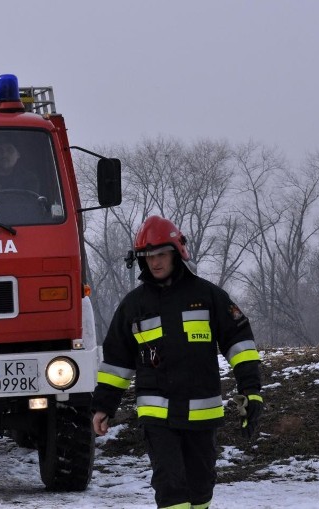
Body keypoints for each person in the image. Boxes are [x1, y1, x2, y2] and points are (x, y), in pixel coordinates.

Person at [92, 215, 263, 509]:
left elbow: (240, 344)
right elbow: (116, 363)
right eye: (148, 256)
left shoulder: (208, 296)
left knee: (201, 488)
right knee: (170, 486)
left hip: (202, 415)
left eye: (161, 254)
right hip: (157, 416)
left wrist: (252, 390)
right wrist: (103, 407)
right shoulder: (133, 305)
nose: (155, 262)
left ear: (176, 253)